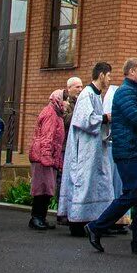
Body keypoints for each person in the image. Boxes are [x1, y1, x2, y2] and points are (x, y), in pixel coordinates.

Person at [87, 57, 137, 253]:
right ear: (131, 72)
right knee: (131, 194)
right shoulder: (125, 93)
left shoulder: (135, 93)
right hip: (129, 152)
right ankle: (96, 227)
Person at [58, 61, 118, 235]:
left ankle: (96, 222)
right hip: (84, 149)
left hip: (96, 148)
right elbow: (84, 120)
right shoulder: (87, 94)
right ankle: (77, 222)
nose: (109, 79)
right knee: (84, 183)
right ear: (101, 75)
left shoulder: (96, 95)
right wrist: (105, 118)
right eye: (108, 76)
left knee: (98, 183)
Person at [27, 88, 67, 230]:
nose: (67, 104)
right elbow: (46, 137)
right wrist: (46, 158)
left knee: (47, 188)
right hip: (43, 158)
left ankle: (41, 217)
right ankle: (36, 218)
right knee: (41, 188)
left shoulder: (57, 114)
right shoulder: (50, 114)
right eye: (66, 100)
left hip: (49, 157)